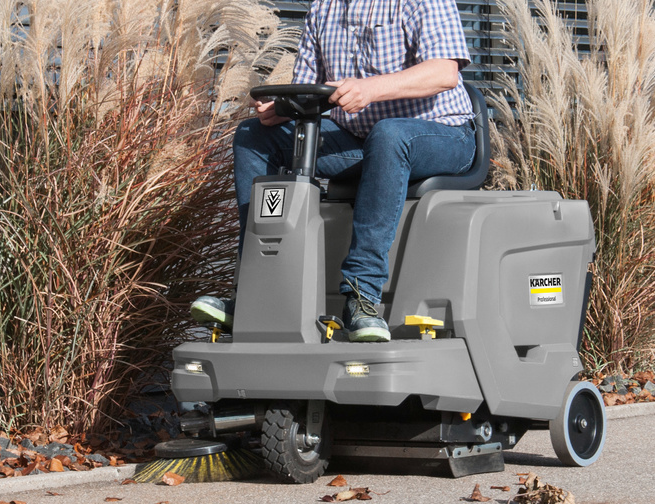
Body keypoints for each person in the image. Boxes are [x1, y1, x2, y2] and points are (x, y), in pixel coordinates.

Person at [190, 0, 476, 342]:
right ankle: (253, 292)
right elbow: (308, 89)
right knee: (254, 136)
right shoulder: (323, 8)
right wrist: (282, 109)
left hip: (442, 134)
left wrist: (370, 88)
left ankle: (362, 296)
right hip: (362, 138)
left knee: (389, 134)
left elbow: (444, 73)